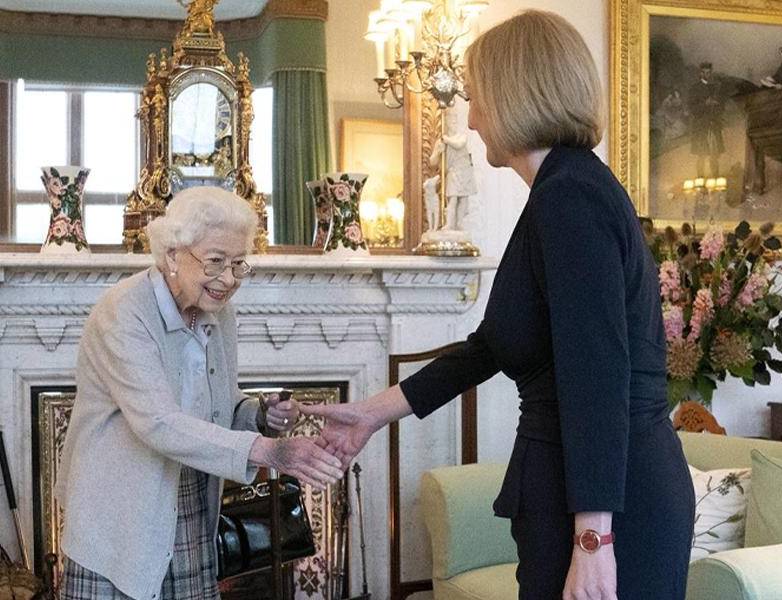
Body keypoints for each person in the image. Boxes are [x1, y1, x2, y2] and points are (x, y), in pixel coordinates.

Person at [303, 10, 694, 600]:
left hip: (609, 507)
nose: (474, 116)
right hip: (576, 492)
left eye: (477, 96)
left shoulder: (570, 198)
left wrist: (593, 540)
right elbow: (494, 345)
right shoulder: (561, 191)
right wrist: (372, 413)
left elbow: (596, 373)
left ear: (517, 93)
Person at [55, 187, 344, 600]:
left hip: (189, 501)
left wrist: (259, 415)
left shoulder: (218, 312)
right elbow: (158, 422)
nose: (227, 279)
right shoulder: (122, 313)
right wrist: (266, 450)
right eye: (215, 261)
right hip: (119, 512)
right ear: (172, 254)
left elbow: (218, 405)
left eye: (238, 264)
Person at [429, 108, 478, 230]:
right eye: (451, 119)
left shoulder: (460, 137)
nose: (453, 122)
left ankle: (459, 222)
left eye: (455, 120)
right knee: (453, 199)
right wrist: (438, 152)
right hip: (453, 172)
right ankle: (450, 224)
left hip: (465, 172)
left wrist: (447, 140)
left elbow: (459, 144)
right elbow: (432, 162)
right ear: (446, 121)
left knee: (464, 199)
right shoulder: (441, 142)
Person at [688, 62, 725, 177]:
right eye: (704, 72)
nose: (706, 75)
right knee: (701, 155)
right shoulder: (694, 88)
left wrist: (717, 105)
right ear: (700, 73)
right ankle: (700, 181)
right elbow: (692, 108)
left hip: (713, 126)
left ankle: (716, 179)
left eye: (708, 72)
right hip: (701, 127)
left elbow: (722, 107)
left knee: (714, 156)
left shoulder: (716, 88)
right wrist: (705, 103)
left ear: (711, 73)